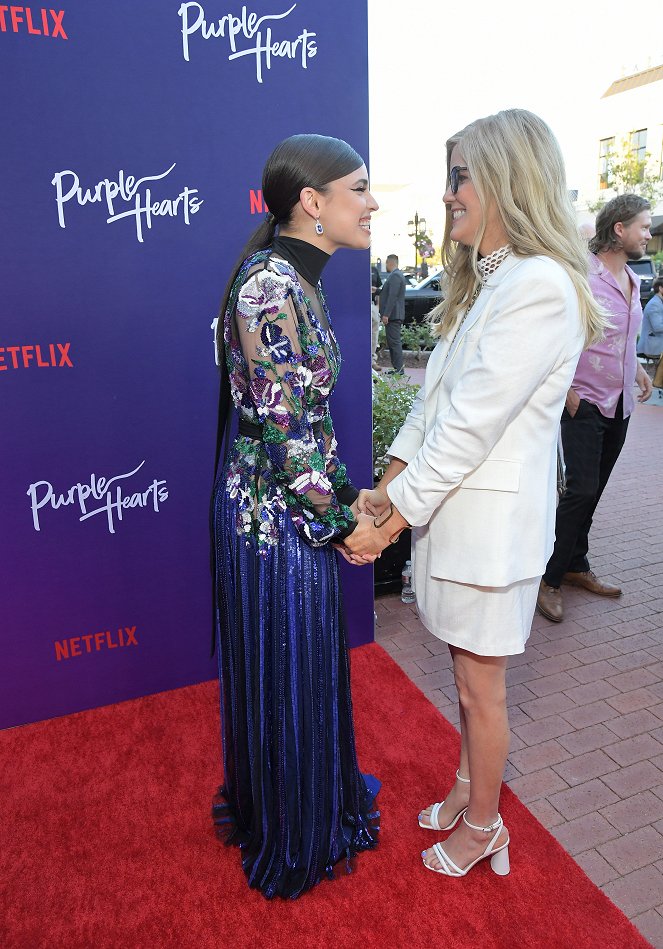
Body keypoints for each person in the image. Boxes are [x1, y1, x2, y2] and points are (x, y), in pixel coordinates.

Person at [345, 109, 606, 879]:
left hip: (490, 530)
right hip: (459, 518)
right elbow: (431, 408)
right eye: (449, 176)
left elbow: (468, 425)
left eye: (460, 177)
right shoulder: (487, 282)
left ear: (502, 181)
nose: (450, 193)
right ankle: (467, 788)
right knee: (465, 677)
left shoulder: (537, 286)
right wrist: (385, 485)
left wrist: (388, 524)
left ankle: (485, 824)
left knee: (479, 687)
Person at [210, 134, 381, 899]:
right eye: (359, 188)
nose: (372, 203)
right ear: (311, 202)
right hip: (269, 517)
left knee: (301, 664)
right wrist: (344, 523)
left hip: (292, 505)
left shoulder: (295, 281)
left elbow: (307, 422)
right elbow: (282, 432)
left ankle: (305, 803)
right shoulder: (269, 288)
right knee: (286, 664)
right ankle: (289, 826)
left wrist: (346, 500)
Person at [537, 194, 653, 623]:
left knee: (595, 489)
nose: (647, 233)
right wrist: (565, 388)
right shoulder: (581, 275)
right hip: (583, 401)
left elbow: (620, 339)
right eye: (642, 226)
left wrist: (638, 369)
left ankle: (575, 564)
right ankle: (547, 580)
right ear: (619, 228)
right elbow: (555, 331)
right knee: (579, 490)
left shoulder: (634, 279)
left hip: (620, 401)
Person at [379, 253, 406, 373]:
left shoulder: (395, 276)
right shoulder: (397, 275)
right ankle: (397, 368)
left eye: (386, 263)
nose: (386, 265)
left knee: (394, 343)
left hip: (393, 315)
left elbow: (392, 296)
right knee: (393, 342)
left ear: (390, 263)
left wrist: (386, 314)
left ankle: (399, 369)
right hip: (394, 315)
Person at [638, 277, 663, 360]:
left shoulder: (659, 302)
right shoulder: (655, 304)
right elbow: (658, 327)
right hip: (653, 347)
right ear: (660, 288)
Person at [371, 263, 382, 365]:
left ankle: (373, 360)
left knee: (374, 333)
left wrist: (378, 306)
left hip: (372, 304)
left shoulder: (373, 270)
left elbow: (379, 288)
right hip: (359, 305)